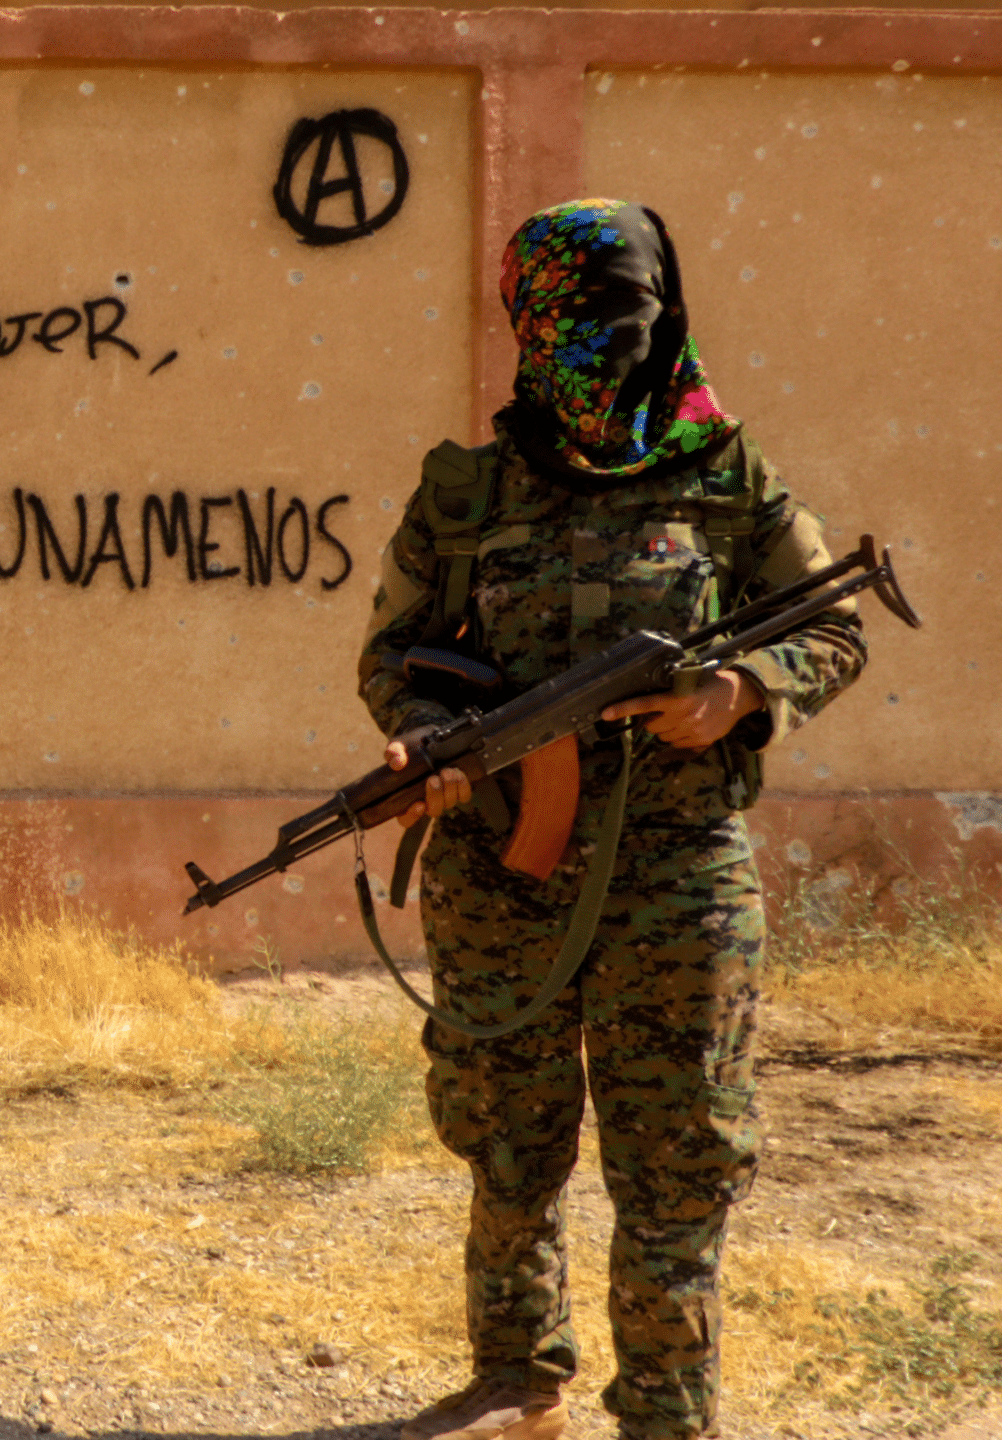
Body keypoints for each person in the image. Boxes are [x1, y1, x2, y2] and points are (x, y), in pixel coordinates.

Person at [360, 201, 866, 1440]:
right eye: (572, 324)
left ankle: (665, 1409)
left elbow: (829, 626)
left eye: (623, 318)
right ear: (524, 328)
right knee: (507, 1138)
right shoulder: (467, 491)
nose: (602, 349)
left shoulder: (727, 475)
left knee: (678, 1155)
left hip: (678, 876)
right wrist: (424, 740)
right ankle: (515, 1378)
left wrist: (741, 691)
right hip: (502, 868)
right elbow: (397, 655)